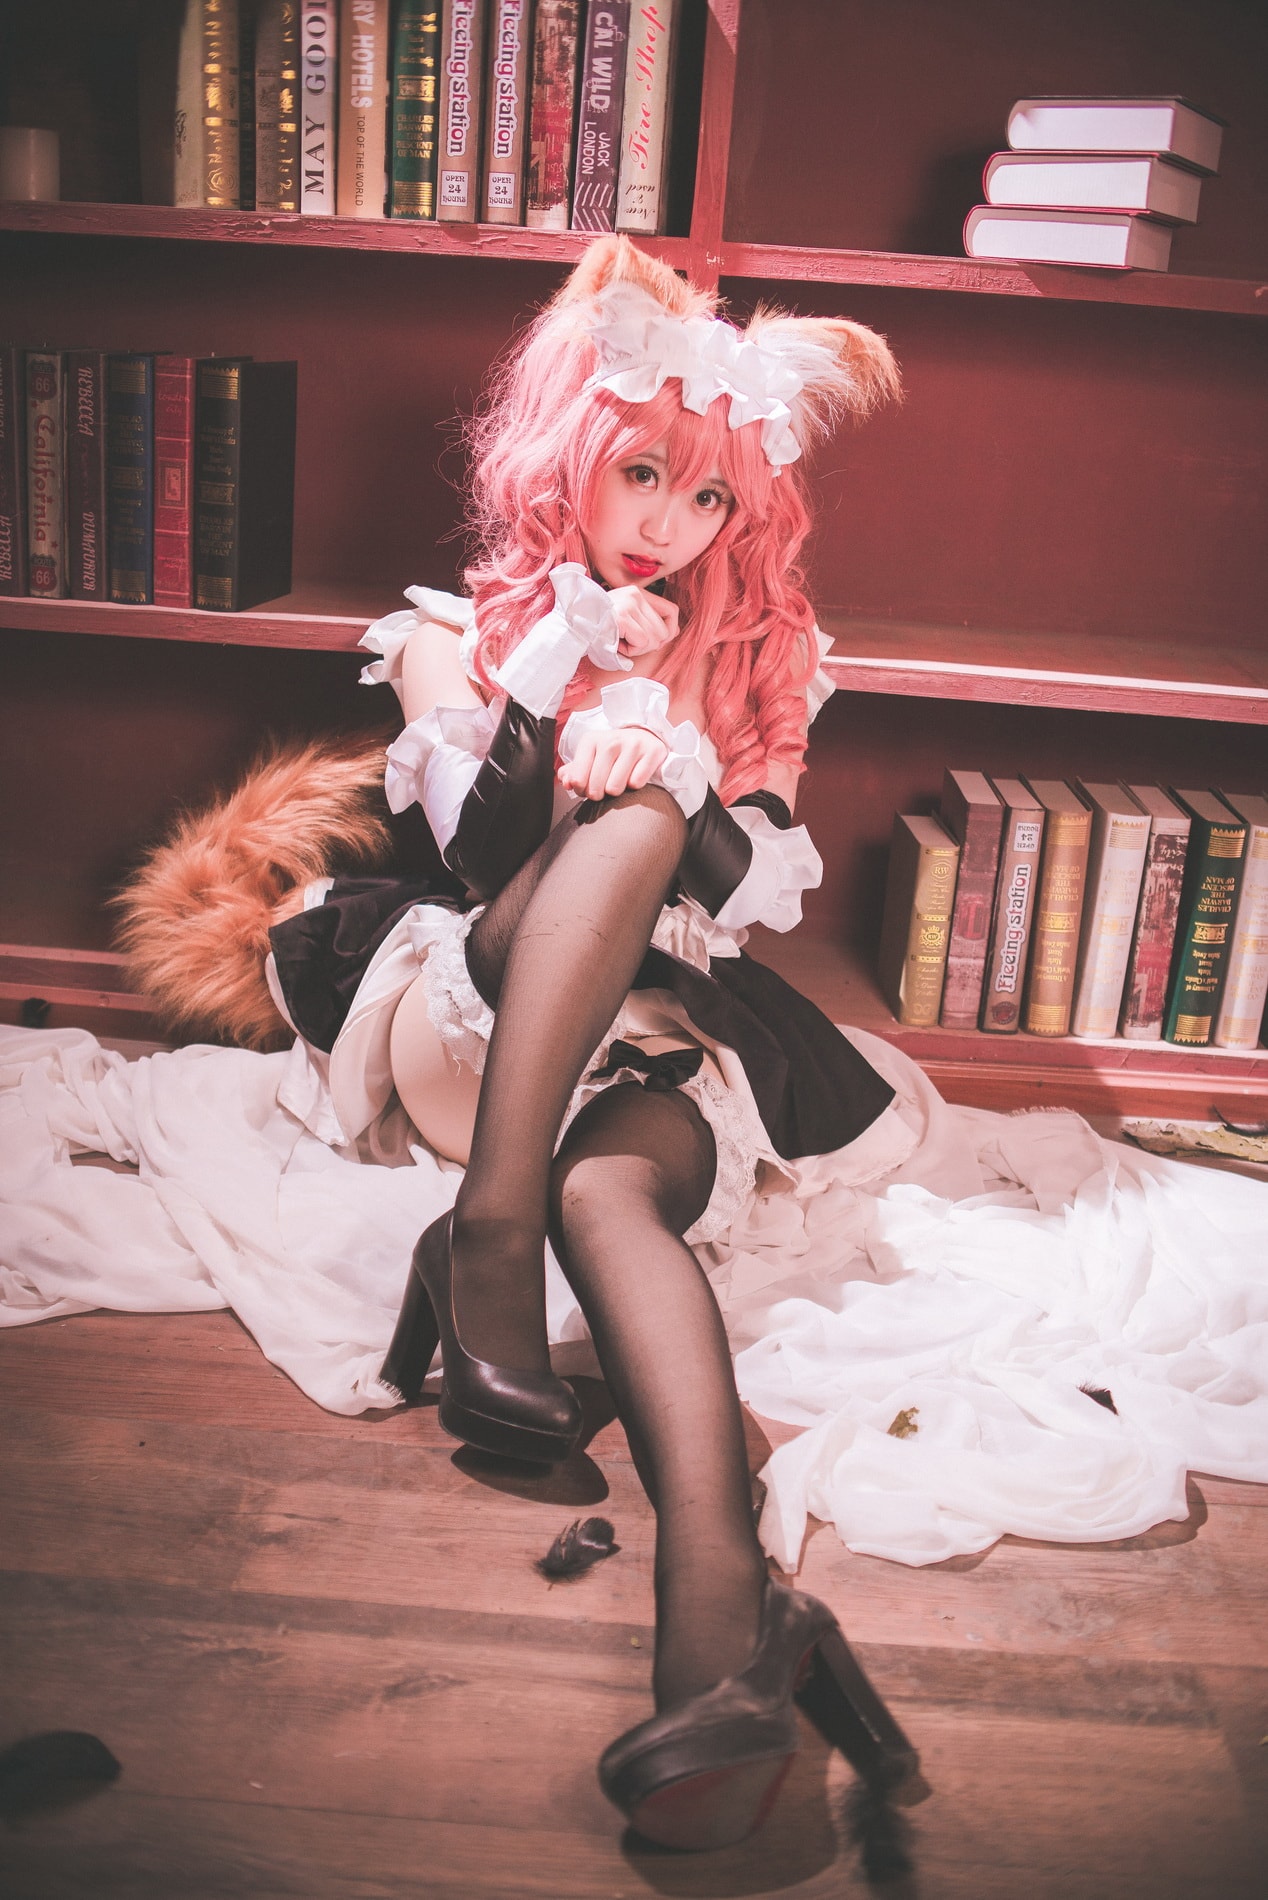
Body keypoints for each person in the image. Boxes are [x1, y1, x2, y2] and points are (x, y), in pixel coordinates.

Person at [254, 234, 918, 1847]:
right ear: (573, 453)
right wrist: (572, 714)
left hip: (658, 1025)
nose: (670, 525)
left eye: (709, 499)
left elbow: (748, 903)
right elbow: (476, 860)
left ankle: (729, 1628)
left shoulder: (761, 660)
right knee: (621, 827)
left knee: (612, 1196)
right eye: (642, 475)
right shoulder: (453, 635)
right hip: (478, 1024)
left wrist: (686, 771)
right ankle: (485, 1225)